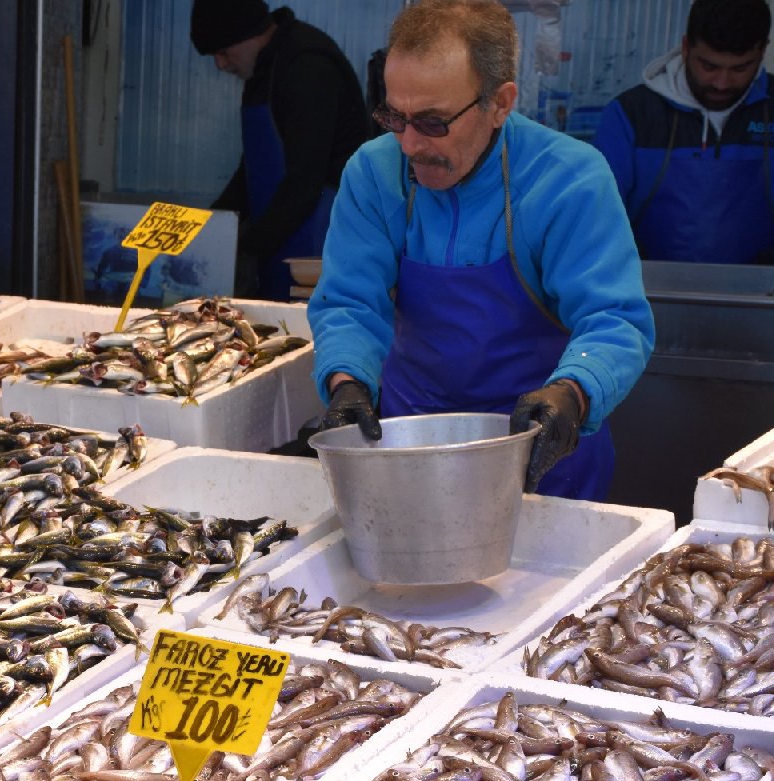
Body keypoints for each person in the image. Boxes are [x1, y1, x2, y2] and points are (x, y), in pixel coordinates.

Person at [308, 0, 655, 501]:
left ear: (500, 103)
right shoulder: (372, 173)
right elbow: (349, 302)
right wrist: (347, 380)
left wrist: (573, 392)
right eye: (394, 116)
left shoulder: (569, 180)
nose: (408, 144)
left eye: (431, 122)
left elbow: (615, 320)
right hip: (410, 446)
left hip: (543, 455)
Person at [190, 0, 369, 301]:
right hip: (280, 238)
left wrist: (246, 245)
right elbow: (255, 165)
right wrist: (212, 227)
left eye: (223, 52)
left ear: (250, 34)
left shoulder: (308, 67)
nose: (220, 65)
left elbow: (304, 185)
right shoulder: (263, 69)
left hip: (320, 242)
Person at [593, 0, 772, 265]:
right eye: (709, 66)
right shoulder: (631, 115)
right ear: (686, 47)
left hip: (760, 297)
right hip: (649, 291)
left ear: (762, 52)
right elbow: (596, 222)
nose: (721, 83)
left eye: (740, 68)